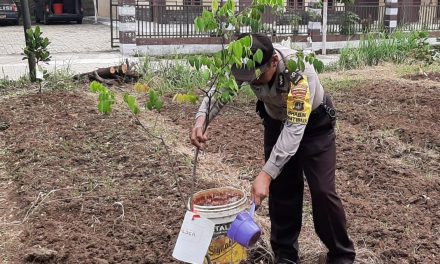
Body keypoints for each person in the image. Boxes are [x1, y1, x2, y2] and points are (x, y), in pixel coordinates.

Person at [190, 33, 356, 264]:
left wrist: (266, 173)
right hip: (275, 123)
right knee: (282, 191)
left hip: (313, 127)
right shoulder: (248, 61)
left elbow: (295, 128)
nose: (251, 82)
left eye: (256, 77)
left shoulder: (299, 71)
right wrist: (201, 121)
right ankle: (285, 255)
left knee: (323, 192)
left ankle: (341, 255)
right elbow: (220, 91)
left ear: (274, 62)